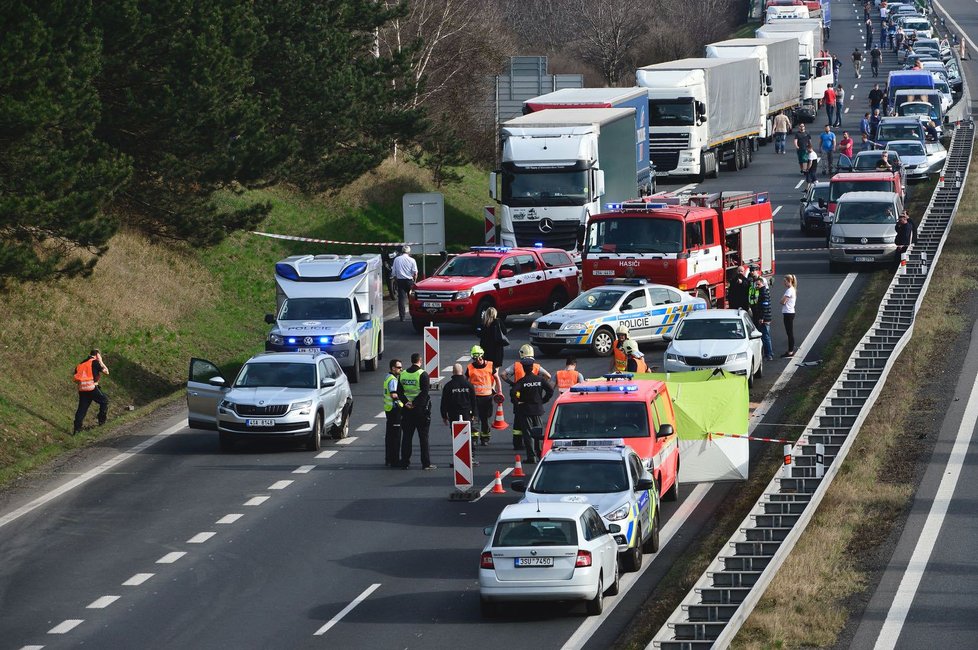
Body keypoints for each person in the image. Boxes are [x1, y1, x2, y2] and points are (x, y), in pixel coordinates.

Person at [501, 344, 551, 449]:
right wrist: (540, 383)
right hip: (534, 397)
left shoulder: (516, 365)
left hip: (520, 397)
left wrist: (512, 383)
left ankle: (518, 444)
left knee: (518, 423)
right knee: (536, 424)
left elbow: (503, 374)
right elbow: (548, 376)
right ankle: (537, 448)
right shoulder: (536, 366)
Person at [510, 358, 554, 463]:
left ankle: (531, 457)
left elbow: (513, 392)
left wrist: (516, 402)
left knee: (528, 434)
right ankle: (540, 454)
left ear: (524, 369)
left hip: (525, 410)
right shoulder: (540, 380)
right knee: (538, 433)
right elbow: (550, 390)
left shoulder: (522, 381)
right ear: (533, 368)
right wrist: (543, 400)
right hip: (538, 410)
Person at [398, 352, 436, 470]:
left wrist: (406, 403)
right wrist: (414, 404)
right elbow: (424, 393)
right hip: (420, 410)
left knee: (407, 437)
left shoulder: (403, 374)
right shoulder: (423, 374)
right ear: (420, 361)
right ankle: (426, 463)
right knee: (423, 438)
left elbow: (399, 392)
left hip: (406, 410)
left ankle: (405, 462)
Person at [466, 345, 500, 445]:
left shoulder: (490, 365)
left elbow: (497, 378)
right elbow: (466, 382)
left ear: (482, 356)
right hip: (475, 398)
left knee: (485, 419)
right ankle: (475, 439)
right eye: (475, 358)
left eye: (479, 357)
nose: (478, 360)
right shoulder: (470, 368)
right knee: (475, 418)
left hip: (487, 398)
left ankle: (485, 438)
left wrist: (499, 391)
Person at [441, 363, 478, 451]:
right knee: (468, 433)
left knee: (456, 435)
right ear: (462, 371)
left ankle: (458, 455)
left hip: (453, 414)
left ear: (452, 372)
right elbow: (474, 400)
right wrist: (474, 414)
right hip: (467, 413)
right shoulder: (469, 385)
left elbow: (444, 402)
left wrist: (444, 416)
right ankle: (470, 455)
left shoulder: (448, 386)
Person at [73, 349, 109, 434]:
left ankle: (77, 430)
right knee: (104, 401)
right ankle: (101, 421)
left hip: (82, 388)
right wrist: (101, 361)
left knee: (82, 409)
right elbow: (106, 371)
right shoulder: (95, 362)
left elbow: (76, 378)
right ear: (97, 355)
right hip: (92, 387)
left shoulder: (80, 364)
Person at [382, 358, 404, 467]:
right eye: (399, 367)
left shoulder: (387, 377)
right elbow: (394, 395)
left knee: (389, 436)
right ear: (393, 368)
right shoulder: (393, 380)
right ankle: (395, 460)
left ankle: (388, 459)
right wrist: (403, 405)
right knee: (396, 437)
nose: (401, 369)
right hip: (394, 411)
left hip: (389, 410)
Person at [749, 275, 774, 361]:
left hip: (765, 318)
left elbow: (765, 307)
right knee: (765, 336)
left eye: (758, 284)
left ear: (763, 284)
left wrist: (762, 318)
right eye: (756, 284)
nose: (757, 286)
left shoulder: (763, 293)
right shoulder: (763, 292)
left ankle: (769, 354)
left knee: (765, 336)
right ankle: (768, 353)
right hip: (766, 317)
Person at [391, 245, 418, 322]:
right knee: (412, 299)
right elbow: (415, 272)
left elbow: (393, 272)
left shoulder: (397, 259)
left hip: (400, 281)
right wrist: (414, 281)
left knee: (401, 299)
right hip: (409, 281)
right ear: (409, 252)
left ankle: (402, 317)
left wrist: (396, 279)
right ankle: (414, 315)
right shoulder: (412, 260)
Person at [476, 306, 508, 371]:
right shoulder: (498, 322)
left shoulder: (483, 323)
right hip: (497, 349)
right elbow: (505, 332)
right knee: (495, 370)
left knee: (487, 369)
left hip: (485, 349)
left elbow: (478, 334)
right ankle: (494, 381)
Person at [780, 275, 798, 358]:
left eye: (785, 281)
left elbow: (782, 301)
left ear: (789, 281)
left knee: (789, 333)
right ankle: (790, 350)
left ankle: (790, 351)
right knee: (789, 332)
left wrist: (782, 300)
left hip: (788, 313)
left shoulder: (789, 291)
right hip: (789, 313)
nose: (784, 283)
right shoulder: (791, 290)